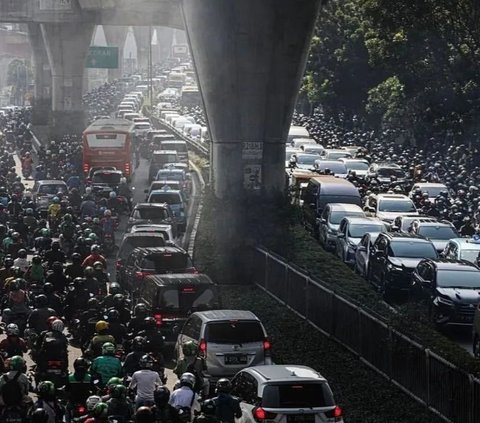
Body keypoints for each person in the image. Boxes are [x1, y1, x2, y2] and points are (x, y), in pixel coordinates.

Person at [64, 358, 94, 423]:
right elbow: (93, 388)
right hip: (85, 402)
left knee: (67, 410)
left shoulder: (70, 377)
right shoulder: (89, 377)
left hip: (73, 402)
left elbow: (66, 389)